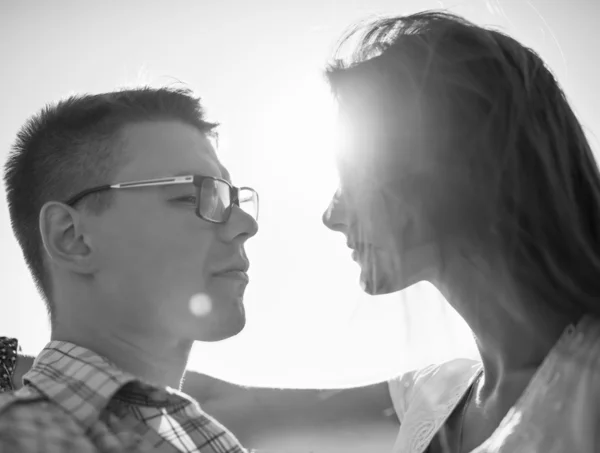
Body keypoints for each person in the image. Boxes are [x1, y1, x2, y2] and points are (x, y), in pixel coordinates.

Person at [139, 10, 600, 453]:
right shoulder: (437, 394)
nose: (331, 216)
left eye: (350, 178)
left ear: (442, 172)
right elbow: (223, 406)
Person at [0, 87, 262, 452]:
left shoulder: (202, 438)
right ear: (72, 237)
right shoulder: (22, 435)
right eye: (193, 195)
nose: (245, 223)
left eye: (232, 199)